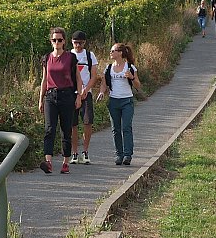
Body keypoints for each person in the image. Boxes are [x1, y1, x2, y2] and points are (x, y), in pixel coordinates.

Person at [37, 27, 80, 174]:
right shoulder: (47, 58)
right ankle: (48, 162)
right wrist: (41, 99)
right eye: (54, 40)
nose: (57, 42)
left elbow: (78, 78)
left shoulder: (70, 58)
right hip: (51, 96)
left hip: (67, 95)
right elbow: (44, 80)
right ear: (51, 41)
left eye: (59, 40)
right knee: (49, 129)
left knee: (65, 130)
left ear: (64, 42)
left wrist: (79, 96)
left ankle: (65, 161)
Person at [99, 42, 140, 166]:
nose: (111, 52)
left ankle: (127, 154)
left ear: (120, 53)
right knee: (115, 129)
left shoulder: (130, 67)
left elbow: (138, 85)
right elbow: (104, 83)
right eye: (111, 51)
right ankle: (119, 154)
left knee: (126, 127)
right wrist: (101, 92)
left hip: (127, 100)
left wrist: (132, 77)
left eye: (113, 50)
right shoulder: (109, 68)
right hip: (113, 101)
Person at [69, 31, 99, 165]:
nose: (78, 45)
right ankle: (74, 153)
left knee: (87, 122)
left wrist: (85, 90)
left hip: (86, 93)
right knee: (72, 125)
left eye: (80, 43)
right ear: (71, 42)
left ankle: (85, 151)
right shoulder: (68, 56)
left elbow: (94, 76)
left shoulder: (89, 55)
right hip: (71, 94)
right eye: (75, 42)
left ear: (84, 43)